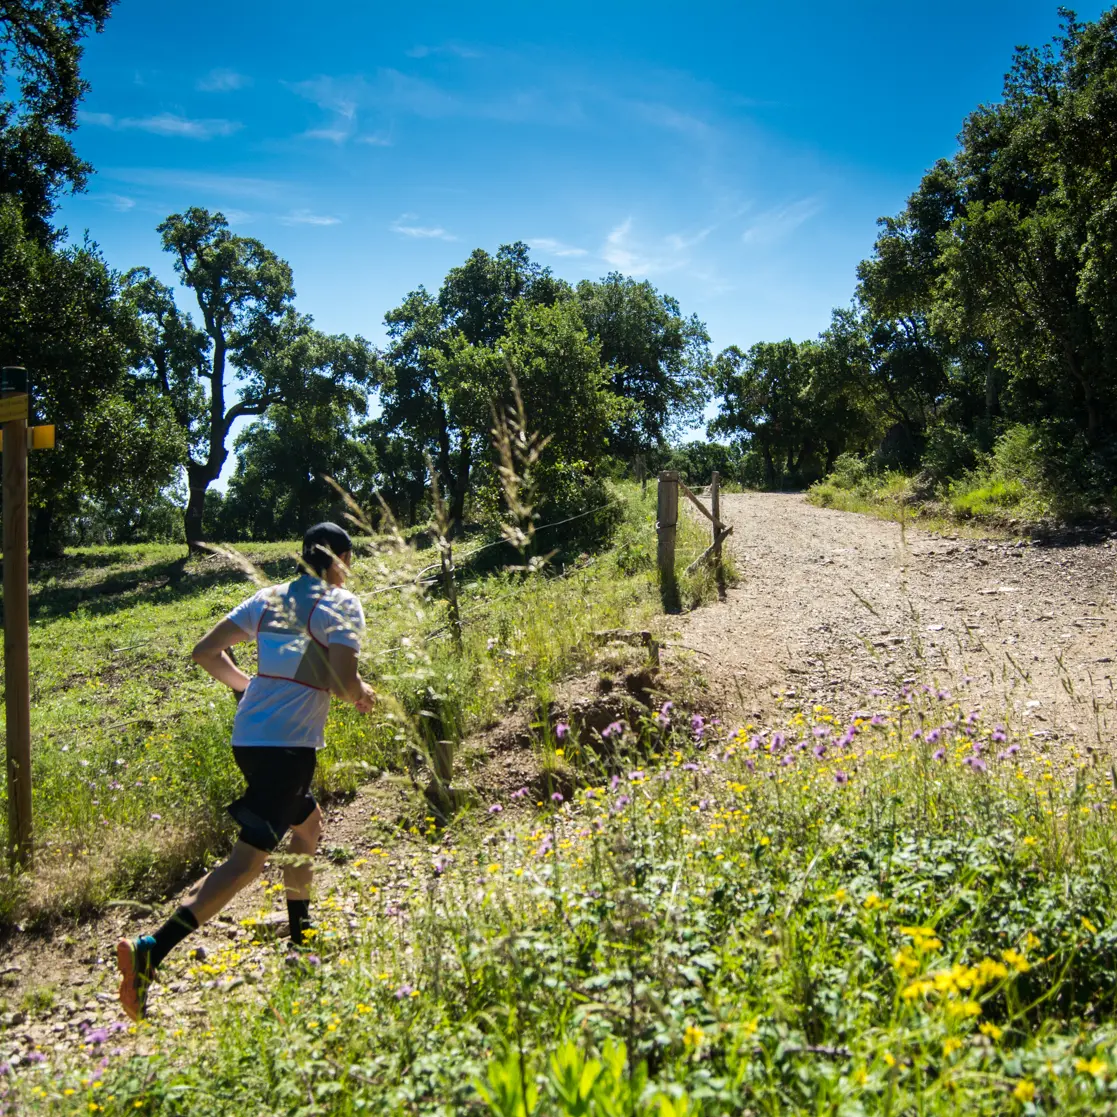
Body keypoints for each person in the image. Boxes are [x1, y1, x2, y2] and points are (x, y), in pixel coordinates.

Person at [116, 522, 375, 1021]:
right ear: (341, 558)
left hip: (249, 739)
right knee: (247, 862)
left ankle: (302, 940)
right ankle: (152, 948)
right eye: (350, 561)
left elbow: (204, 652)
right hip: (287, 749)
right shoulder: (342, 603)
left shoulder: (268, 598)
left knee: (309, 826)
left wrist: (244, 686)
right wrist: (362, 695)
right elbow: (344, 683)